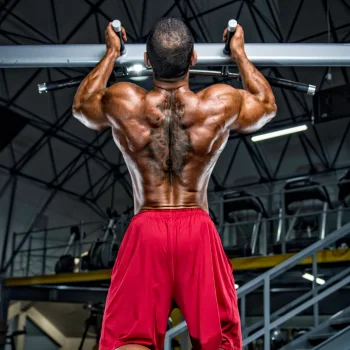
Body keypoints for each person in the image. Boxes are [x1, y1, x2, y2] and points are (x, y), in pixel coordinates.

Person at [73, 17, 277, 350]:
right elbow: (267, 106)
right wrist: (238, 52)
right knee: (219, 341)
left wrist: (111, 52)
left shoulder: (123, 100)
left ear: (148, 60)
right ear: (193, 59)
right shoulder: (219, 102)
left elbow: (82, 106)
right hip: (197, 228)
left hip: (146, 229)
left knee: (129, 338)